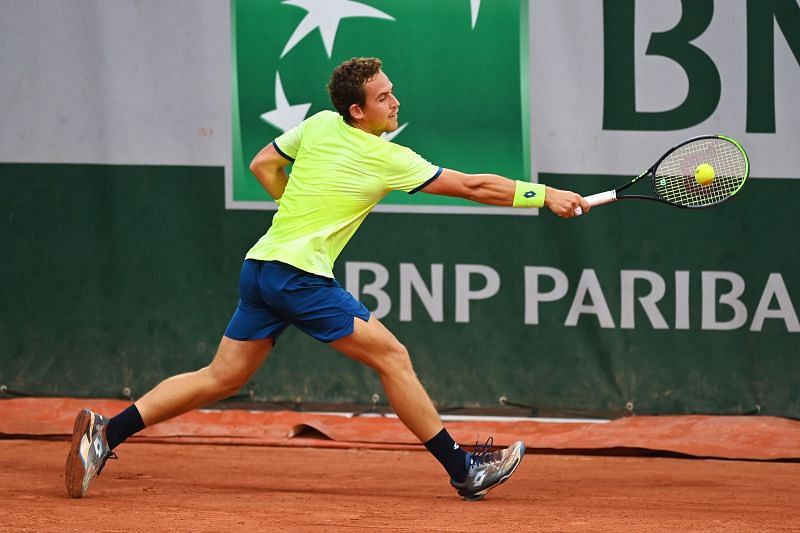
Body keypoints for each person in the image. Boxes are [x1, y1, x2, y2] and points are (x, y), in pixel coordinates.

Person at [65, 57, 590, 501]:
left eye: (393, 93)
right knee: (392, 357)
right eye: (384, 98)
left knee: (222, 377)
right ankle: (463, 469)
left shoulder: (318, 124)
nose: (396, 102)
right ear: (357, 110)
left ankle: (105, 434)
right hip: (298, 277)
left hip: (262, 268)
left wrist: (293, 206)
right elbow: (475, 186)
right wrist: (543, 195)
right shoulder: (387, 159)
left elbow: (263, 164)